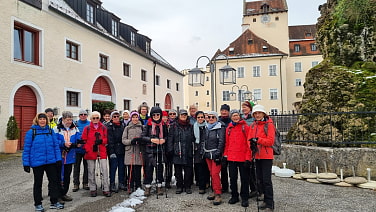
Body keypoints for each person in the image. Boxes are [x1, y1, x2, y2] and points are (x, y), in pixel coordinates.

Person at [22, 113, 64, 211]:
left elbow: (56, 147)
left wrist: (58, 159)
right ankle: (38, 204)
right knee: (38, 183)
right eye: (40, 119)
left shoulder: (50, 131)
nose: (42, 121)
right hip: (37, 162)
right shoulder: (31, 132)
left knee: (54, 182)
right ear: (37, 120)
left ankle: (54, 201)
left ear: (46, 120)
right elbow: (26, 149)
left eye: (44, 119)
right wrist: (26, 163)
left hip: (51, 161)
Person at [247, 105, 275, 211]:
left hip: (266, 156)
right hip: (257, 155)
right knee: (260, 179)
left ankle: (270, 203)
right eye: (255, 113)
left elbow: (270, 141)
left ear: (263, 114)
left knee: (267, 180)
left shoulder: (269, 125)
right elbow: (249, 138)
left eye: (259, 113)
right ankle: (265, 200)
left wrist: (258, 140)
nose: (257, 115)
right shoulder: (254, 125)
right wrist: (251, 145)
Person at [224, 109, 251, 207]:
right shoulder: (229, 128)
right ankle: (234, 195)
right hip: (232, 157)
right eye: (233, 116)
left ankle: (244, 197)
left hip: (243, 157)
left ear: (239, 116)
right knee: (233, 178)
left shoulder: (245, 127)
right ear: (231, 117)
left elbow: (249, 143)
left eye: (237, 115)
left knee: (244, 179)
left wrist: (248, 157)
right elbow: (227, 144)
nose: (235, 117)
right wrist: (225, 155)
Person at [54, 111, 81, 203]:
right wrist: (63, 144)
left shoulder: (75, 129)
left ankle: (64, 193)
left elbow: (78, 137)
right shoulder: (56, 129)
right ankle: (57, 196)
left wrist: (78, 143)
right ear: (63, 119)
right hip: (59, 156)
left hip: (70, 156)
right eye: (67, 119)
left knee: (67, 176)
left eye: (70, 119)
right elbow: (53, 142)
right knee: (58, 176)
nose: (69, 121)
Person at [82, 111, 111, 197]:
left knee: (104, 170)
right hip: (91, 152)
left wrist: (102, 141)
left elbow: (107, 139)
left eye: (97, 118)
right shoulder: (87, 128)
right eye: (93, 118)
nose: (95, 119)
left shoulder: (103, 128)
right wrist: (88, 148)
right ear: (91, 119)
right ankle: (93, 188)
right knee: (91, 171)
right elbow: (84, 140)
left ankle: (106, 188)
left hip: (101, 151)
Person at [140, 106, 168, 196]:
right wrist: (151, 140)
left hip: (160, 150)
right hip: (150, 150)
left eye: (158, 114)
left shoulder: (163, 125)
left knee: (159, 168)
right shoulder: (148, 125)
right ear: (151, 115)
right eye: (154, 114)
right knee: (149, 169)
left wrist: (164, 140)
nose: (156, 116)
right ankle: (147, 187)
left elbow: (167, 136)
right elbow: (142, 137)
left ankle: (159, 186)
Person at [167, 109, 195, 194]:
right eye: (182, 115)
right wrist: (170, 149)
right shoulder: (174, 126)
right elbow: (170, 139)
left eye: (185, 115)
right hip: (177, 150)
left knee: (188, 170)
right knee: (178, 170)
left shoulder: (190, 126)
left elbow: (193, 138)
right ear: (179, 116)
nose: (183, 116)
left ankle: (187, 186)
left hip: (188, 150)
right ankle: (179, 186)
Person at [201, 111, 225, 205]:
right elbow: (204, 140)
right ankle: (214, 190)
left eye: (213, 117)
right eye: (209, 117)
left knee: (215, 174)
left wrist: (218, 153)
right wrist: (202, 151)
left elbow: (221, 141)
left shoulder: (220, 128)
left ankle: (218, 193)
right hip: (207, 153)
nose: (210, 119)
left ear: (216, 118)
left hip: (215, 154)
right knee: (211, 173)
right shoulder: (206, 127)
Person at [122, 111, 144, 193]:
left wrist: (140, 141)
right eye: (133, 117)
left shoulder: (142, 127)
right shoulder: (127, 128)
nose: (135, 119)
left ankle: (138, 185)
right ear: (131, 118)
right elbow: (123, 140)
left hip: (138, 151)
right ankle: (130, 185)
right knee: (130, 169)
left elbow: (144, 138)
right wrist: (131, 141)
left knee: (138, 170)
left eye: (136, 117)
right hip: (130, 151)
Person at [107, 111, 126, 193]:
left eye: (117, 116)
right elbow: (110, 140)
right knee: (113, 168)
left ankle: (121, 183)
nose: (116, 118)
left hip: (122, 149)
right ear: (112, 118)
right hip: (113, 149)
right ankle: (112, 184)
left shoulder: (123, 125)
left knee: (122, 167)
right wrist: (111, 152)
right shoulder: (109, 127)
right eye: (114, 116)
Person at [241, 100, 257, 198]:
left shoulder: (253, 119)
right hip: (243, 147)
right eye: (243, 107)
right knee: (247, 170)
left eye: (245, 107)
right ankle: (252, 188)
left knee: (253, 171)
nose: (243, 109)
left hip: (252, 146)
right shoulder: (242, 119)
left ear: (250, 109)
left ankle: (256, 189)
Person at [193, 111, 210, 194]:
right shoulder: (194, 126)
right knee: (199, 167)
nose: (200, 119)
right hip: (197, 148)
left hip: (206, 147)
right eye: (198, 117)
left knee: (206, 166)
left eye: (201, 117)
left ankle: (207, 182)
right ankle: (201, 186)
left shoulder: (208, 126)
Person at [73, 109, 90, 192]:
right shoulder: (75, 124)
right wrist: (76, 143)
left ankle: (85, 183)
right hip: (77, 149)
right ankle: (76, 184)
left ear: (87, 116)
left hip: (86, 149)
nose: (83, 116)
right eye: (81, 114)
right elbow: (72, 135)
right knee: (76, 167)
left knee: (87, 167)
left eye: (84, 114)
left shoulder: (90, 124)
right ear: (79, 116)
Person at [219, 104, 231, 193]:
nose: (224, 112)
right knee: (223, 169)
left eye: (225, 111)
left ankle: (232, 186)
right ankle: (224, 186)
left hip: (231, 147)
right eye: (222, 110)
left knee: (232, 169)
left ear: (228, 112)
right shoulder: (218, 121)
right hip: (221, 147)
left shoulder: (231, 121)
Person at [164, 109, 177, 189]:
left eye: (174, 114)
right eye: (171, 114)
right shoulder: (165, 124)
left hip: (175, 146)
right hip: (166, 146)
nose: (172, 115)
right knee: (168, 165)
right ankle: (167, 180)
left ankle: (176, 179)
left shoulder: (177, 123)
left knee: (175, 164)